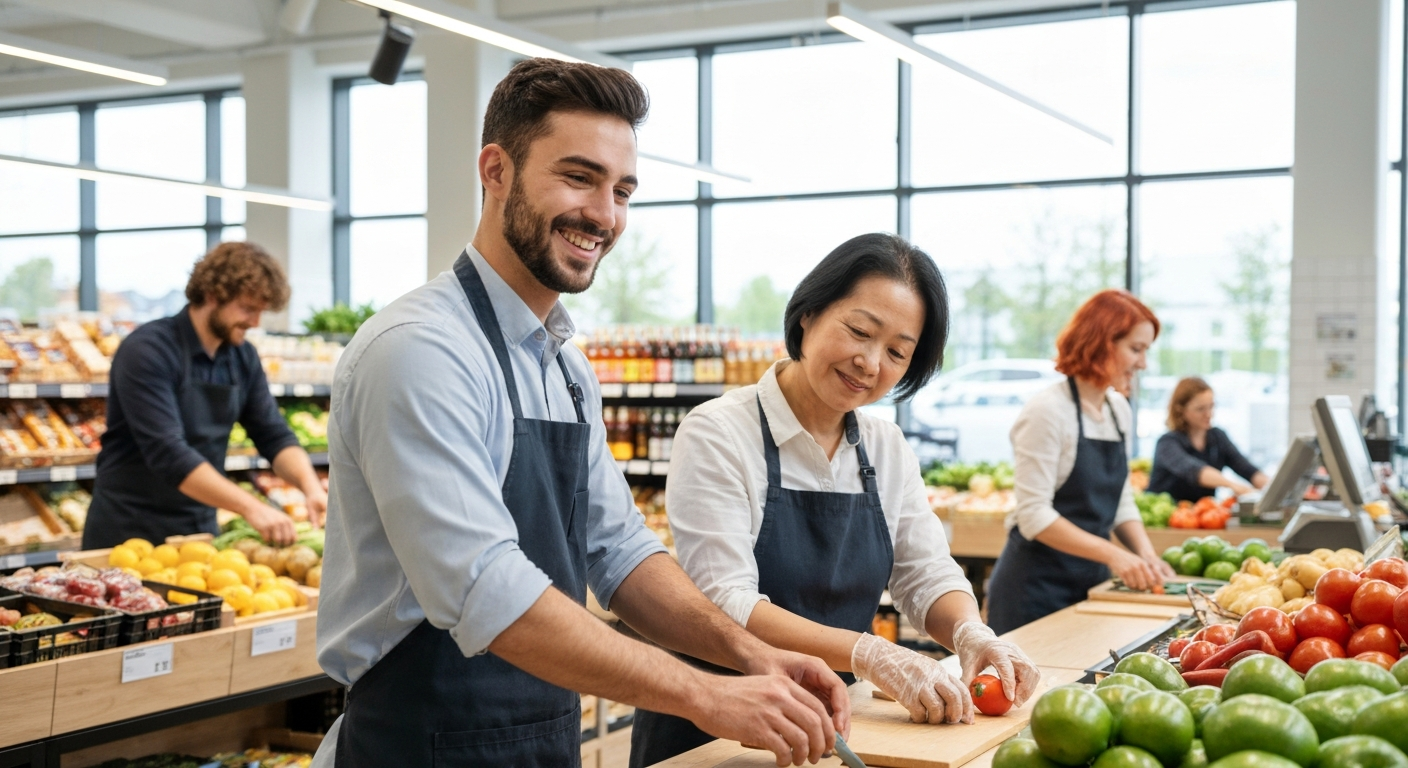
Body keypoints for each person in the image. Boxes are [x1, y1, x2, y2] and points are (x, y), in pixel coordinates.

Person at [312, 59, 850, 768]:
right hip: (419, 744)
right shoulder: (419, 351)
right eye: (578, 176)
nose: (604, 214)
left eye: (621, 189)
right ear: (495, 170)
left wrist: (752, 656)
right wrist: (702, 695)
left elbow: (618, 550)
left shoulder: (563, 366)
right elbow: (485, 586)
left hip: (539, 737)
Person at [630, 234, 1042, 768]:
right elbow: (727, 602)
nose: (870, 362)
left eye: (897, 352)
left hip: (833, 722)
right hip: (717, 730)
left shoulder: (886, 447)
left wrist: (971, 632)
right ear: (809, 313)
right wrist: (866, 651)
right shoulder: (718, 433)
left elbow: (926, 575)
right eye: (859, 331)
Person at [84, 242, 327, 550]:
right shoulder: (148, 350)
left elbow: (273, 434)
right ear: (213, 294)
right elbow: (167, 452)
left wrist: (310, 486)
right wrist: (251, 506)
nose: (255, 323)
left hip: (199, 528)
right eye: (248, 309)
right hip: (129, 530)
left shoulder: (242, 357)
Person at [986, 289, 1176, 635]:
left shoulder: (1118, 411)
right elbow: (1033, 515)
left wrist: (1146, 555)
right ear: (1102, 343)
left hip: (1091, 584)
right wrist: (1115, 556)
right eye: (1136, 349)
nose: (1143, 364)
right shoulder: (1047, 412)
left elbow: (1119, 499)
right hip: (1033, 591)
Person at [1147, 377, 1268, 502]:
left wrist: (1269, 487)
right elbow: (1194, 470)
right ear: (1180, 410)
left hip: (1202, 516)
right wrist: (1233, 485)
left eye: (1211, 407)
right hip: (1168, 517)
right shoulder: (1167, 443)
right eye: (1200, 409)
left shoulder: (1217, 437)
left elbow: (1246, 468)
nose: (1209, 414)